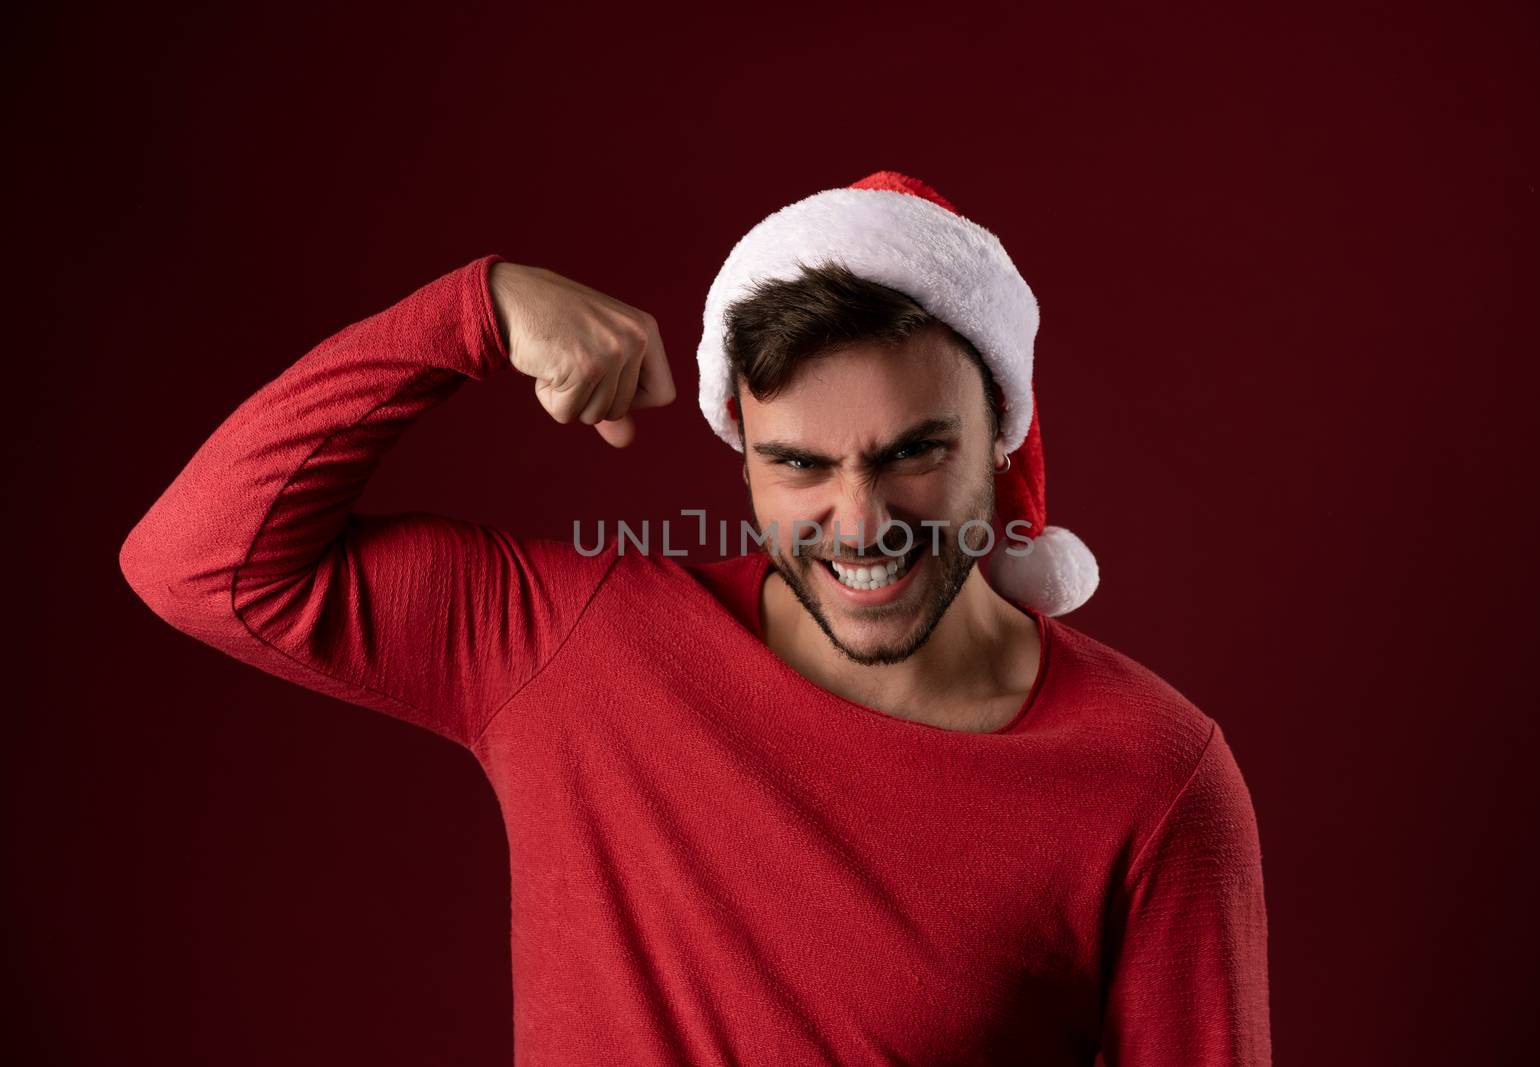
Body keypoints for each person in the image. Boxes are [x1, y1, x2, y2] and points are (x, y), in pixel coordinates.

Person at [119, 170, 1270, 1065]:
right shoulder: (579, 647)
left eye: (915, 452)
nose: (859, 520)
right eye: (799, 463)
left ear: (1004, 438)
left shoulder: (1149, 773)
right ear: (743, 463)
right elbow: (198, 561)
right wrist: (471, 311)